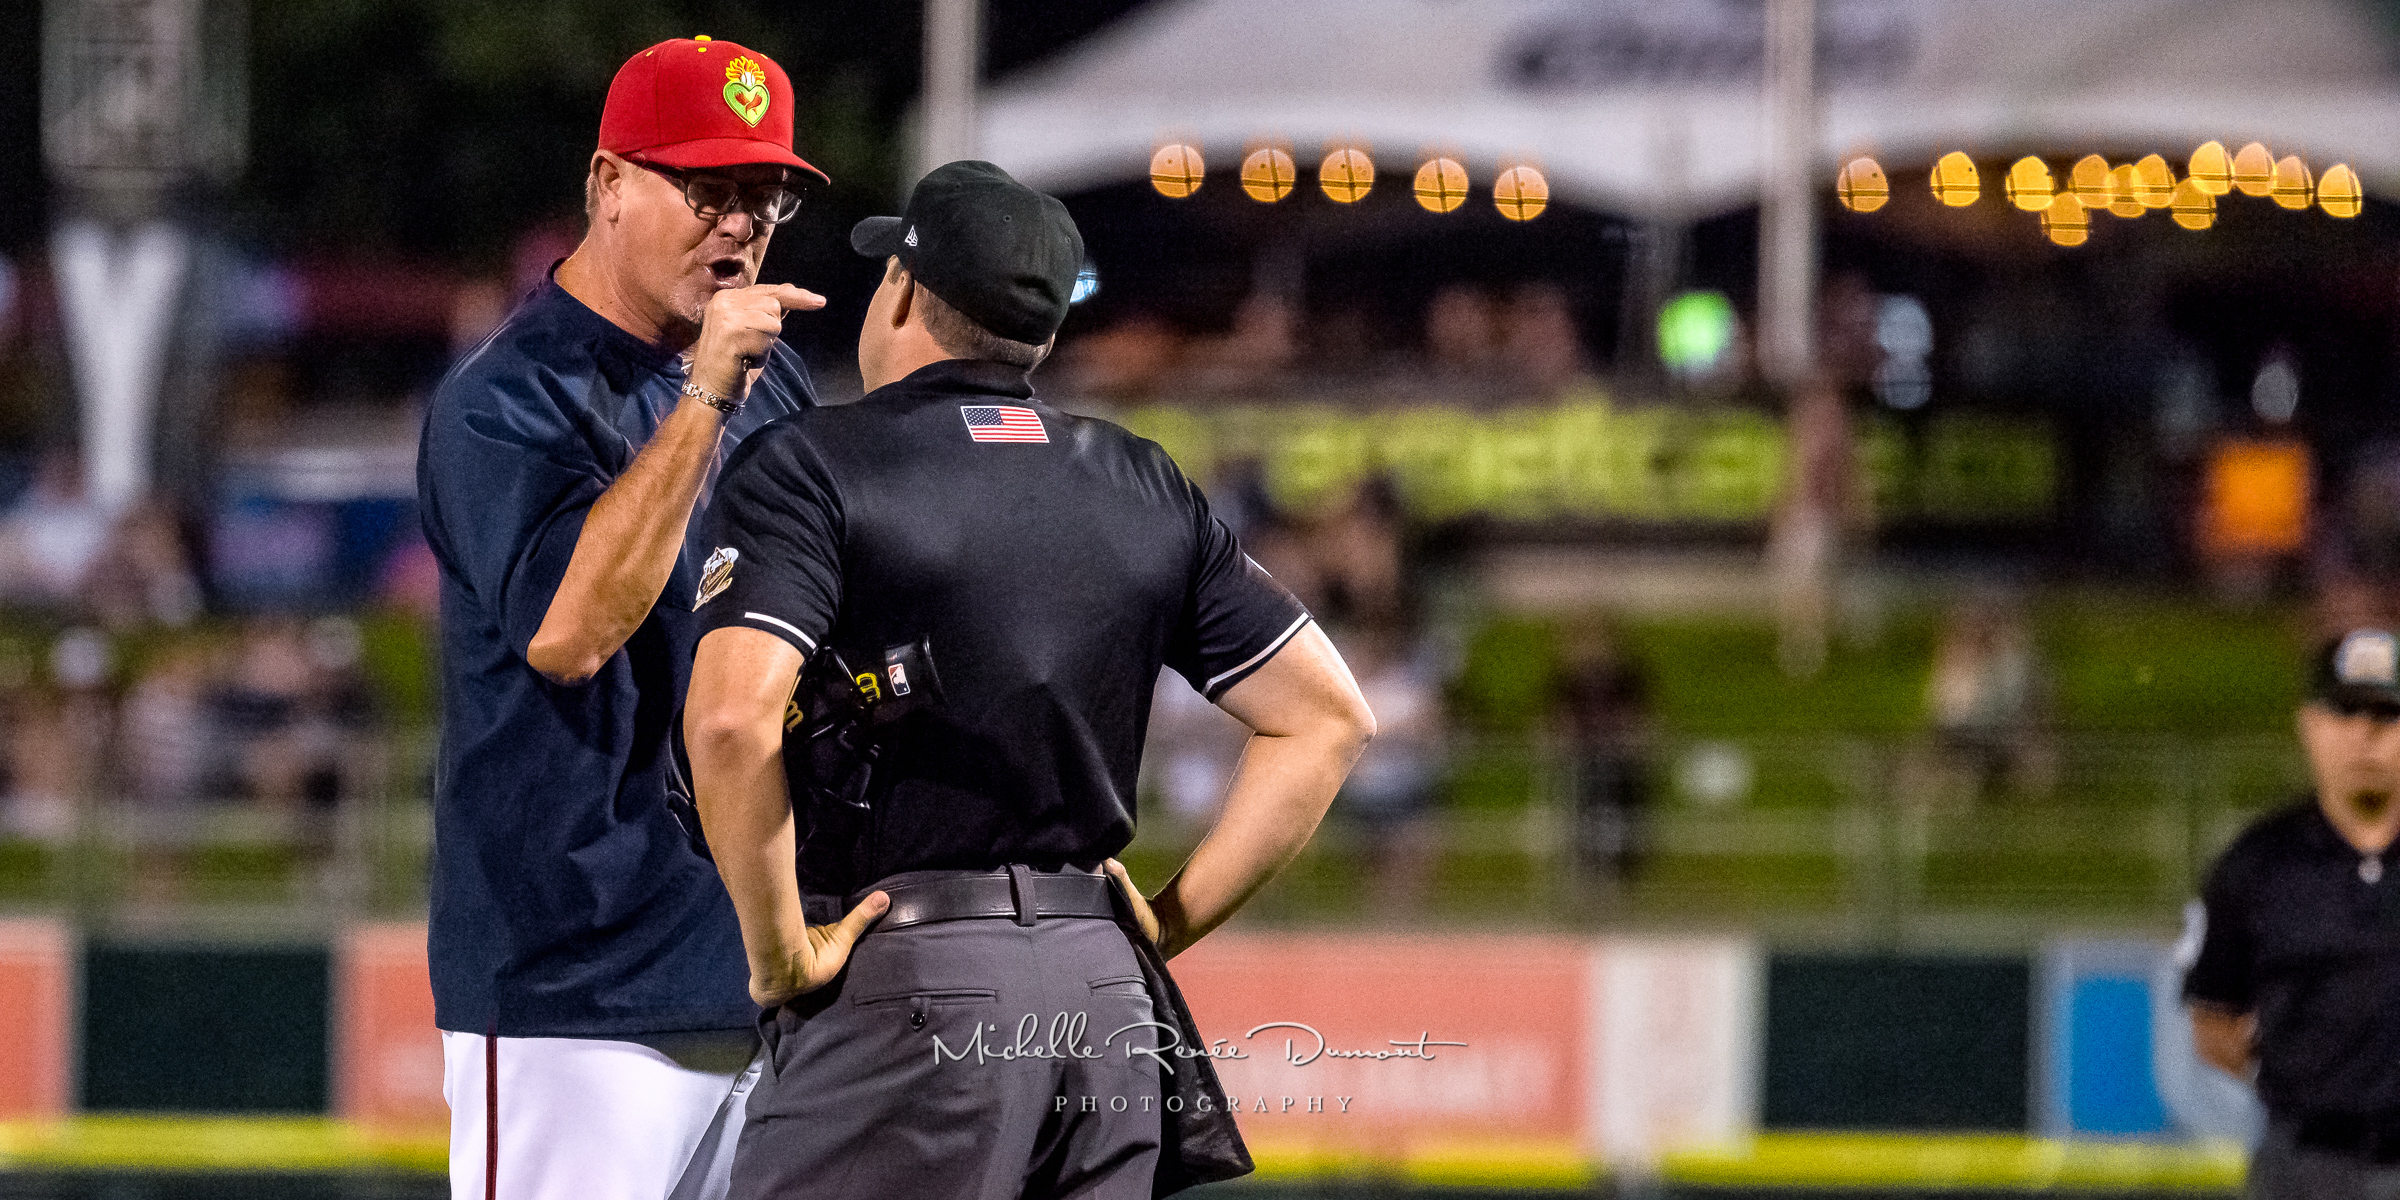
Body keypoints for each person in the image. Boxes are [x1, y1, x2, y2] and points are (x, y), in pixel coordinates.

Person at [682, 160, 1376, 1200]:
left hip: (911, 985)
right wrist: (1164, 923)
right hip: (1105, 1001)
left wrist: (778, 948)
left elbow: (732, 721)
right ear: (1039, 336)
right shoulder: (1141, 478)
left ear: (903, 291)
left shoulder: (814, 462)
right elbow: (1328, 720)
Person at [415, 35, 827, 1200]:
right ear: (607, 184)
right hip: (573, 994)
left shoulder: (777, 383)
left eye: (764, 197)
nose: (739, 226)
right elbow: (569, 631)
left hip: (754, 970)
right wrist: (705, 396)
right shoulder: (507, 395)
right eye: (706, 190)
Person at [2184, 627, 2400, 1199]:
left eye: (2387, 715)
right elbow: (2214, 1022)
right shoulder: (2258, 865)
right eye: (2346, 712)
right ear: (2310, 725)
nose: (2365, 735)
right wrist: (2309, 1079)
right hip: (2305, 1167)